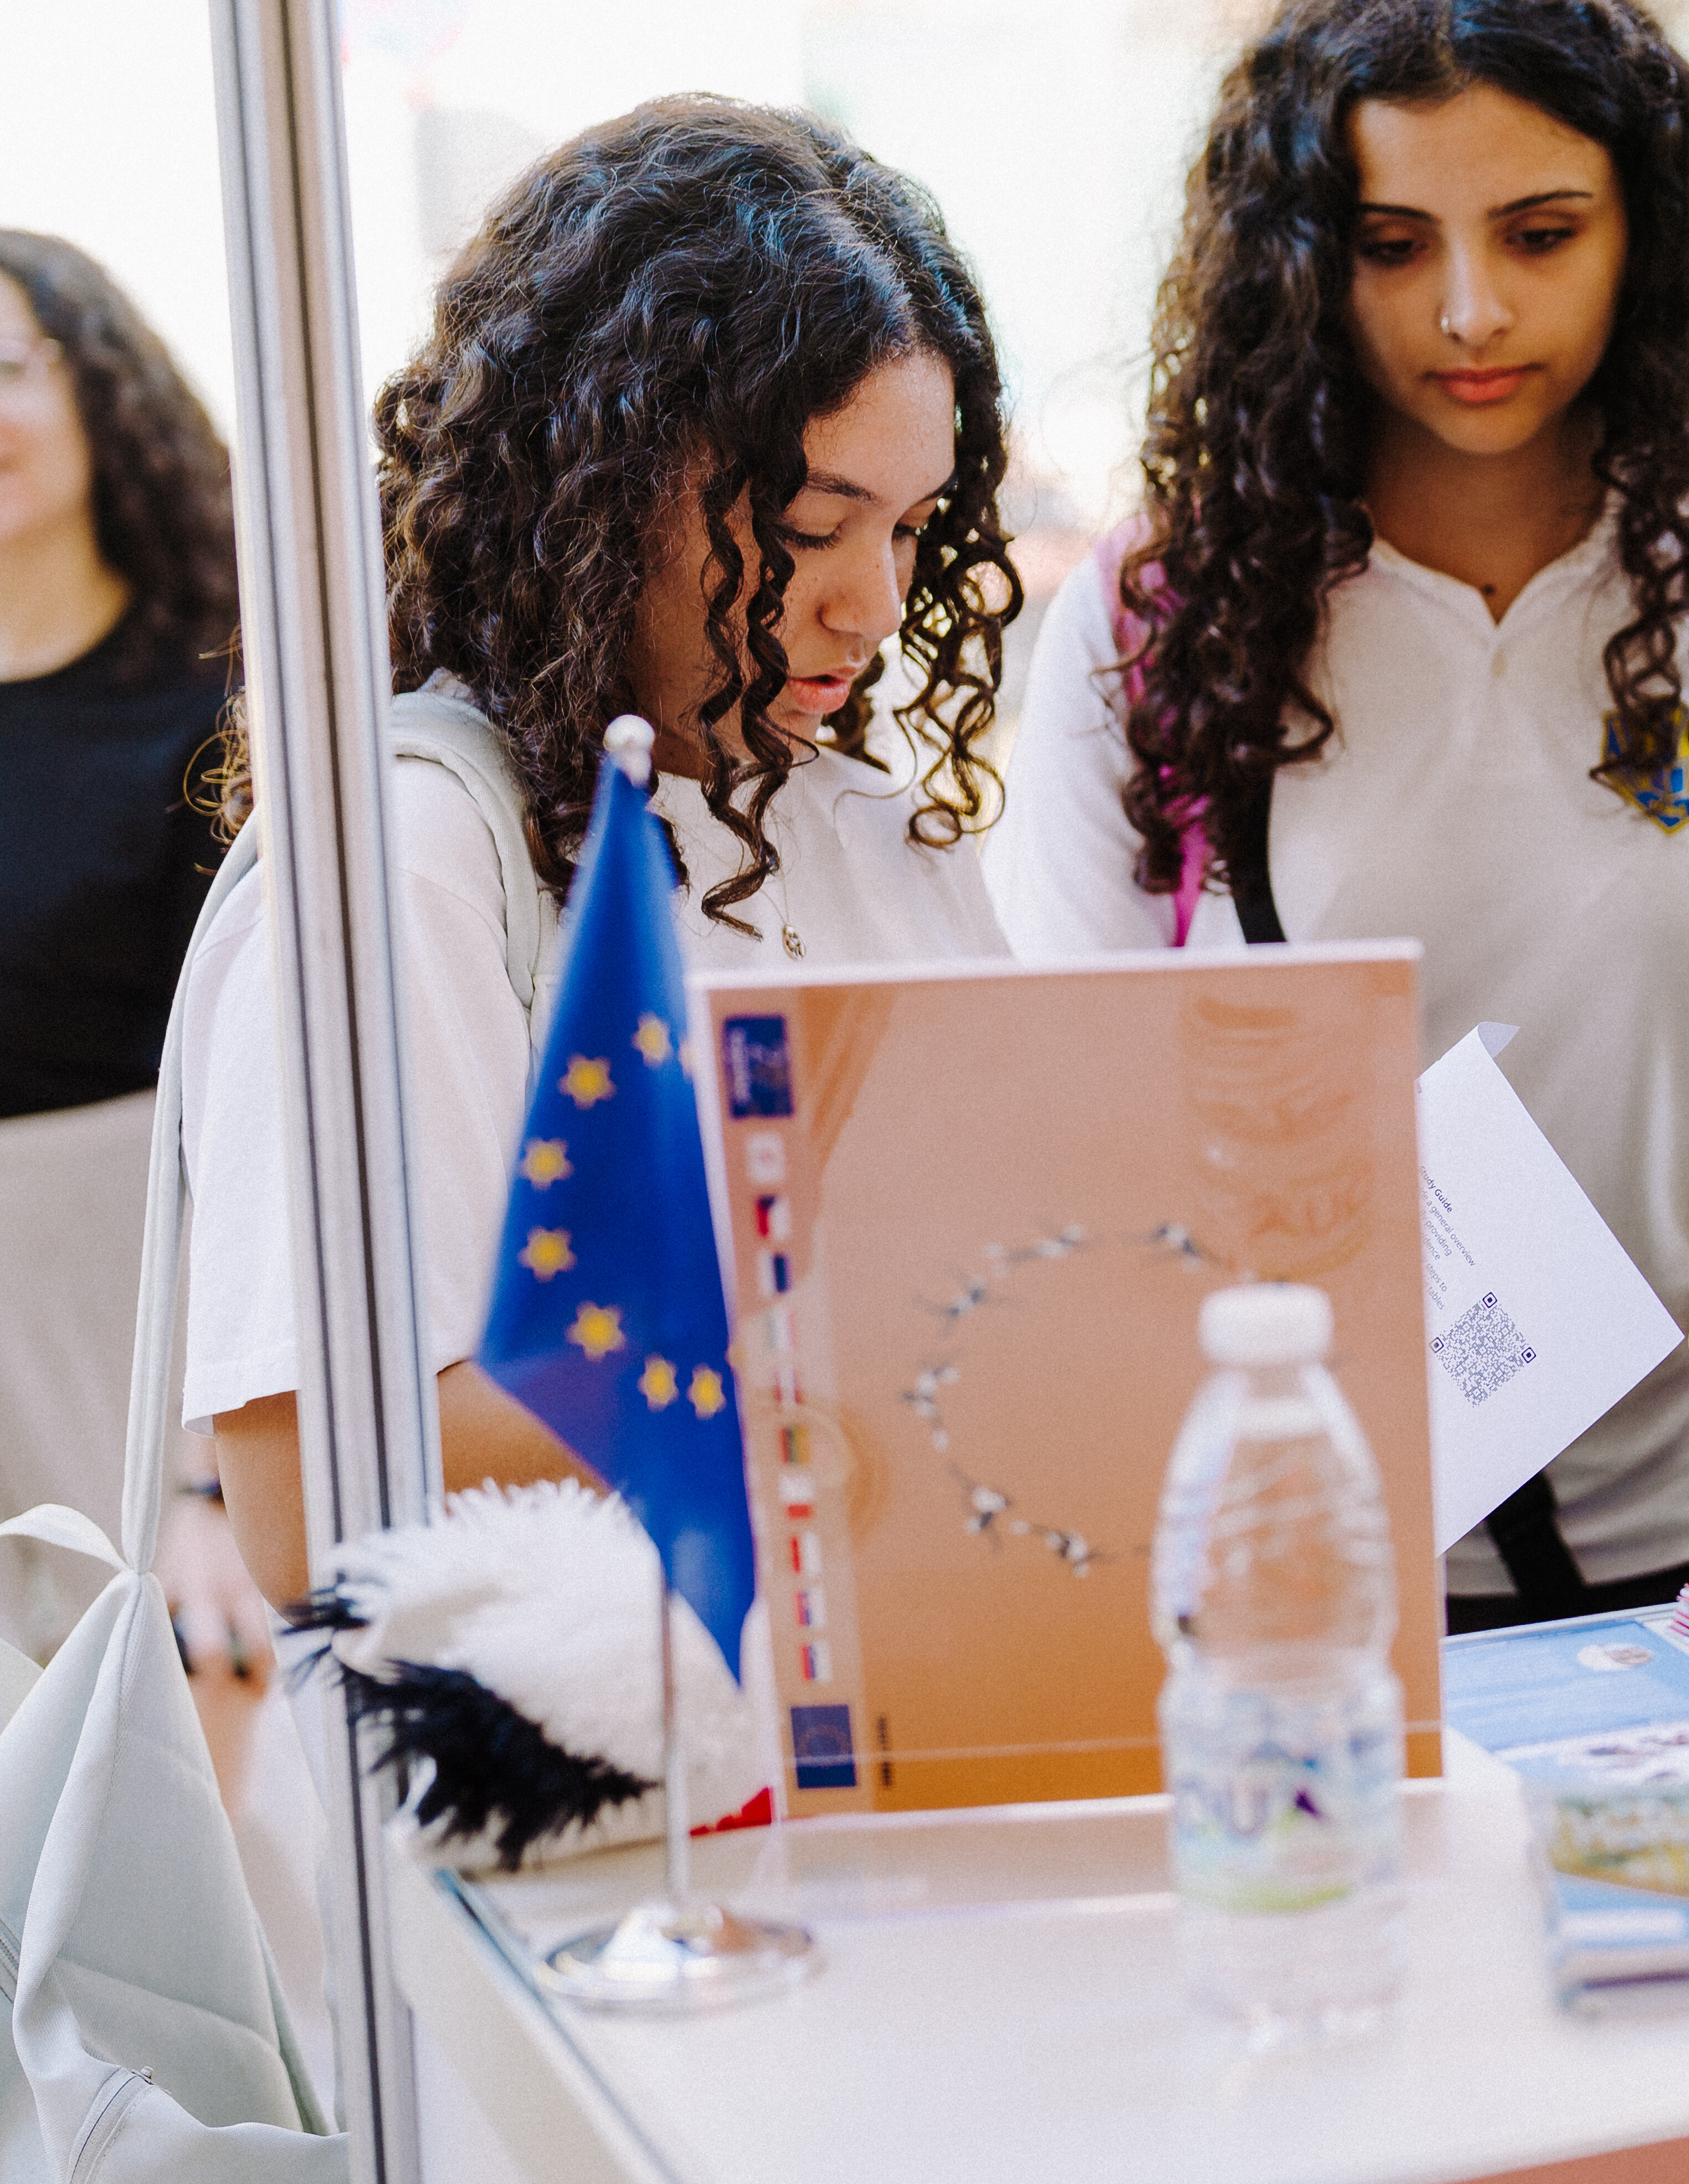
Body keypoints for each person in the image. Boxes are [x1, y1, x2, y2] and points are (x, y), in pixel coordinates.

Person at [991, 0, 1689, 1632]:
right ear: (1303, 259)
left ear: (1648, 235)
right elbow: (1070, 1135)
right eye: (1392, 245)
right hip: (1282, 1570)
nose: (1471, 310)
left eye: (1541, 233)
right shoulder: (1157, 623)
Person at [192, 96, 1019, 1601]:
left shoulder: (872, 827)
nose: (876, 606)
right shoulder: (409, 859)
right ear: (594, 478)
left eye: (910, 527)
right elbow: (306, 1496)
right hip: (579, 1737)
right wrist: (844, 1341)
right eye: (808, 525)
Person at [0, 232, 259, 1663]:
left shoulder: (214, 711)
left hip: (122, 1325)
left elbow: (247, 1114)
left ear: (98, 387)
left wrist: (206, 1476)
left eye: (3, 368)